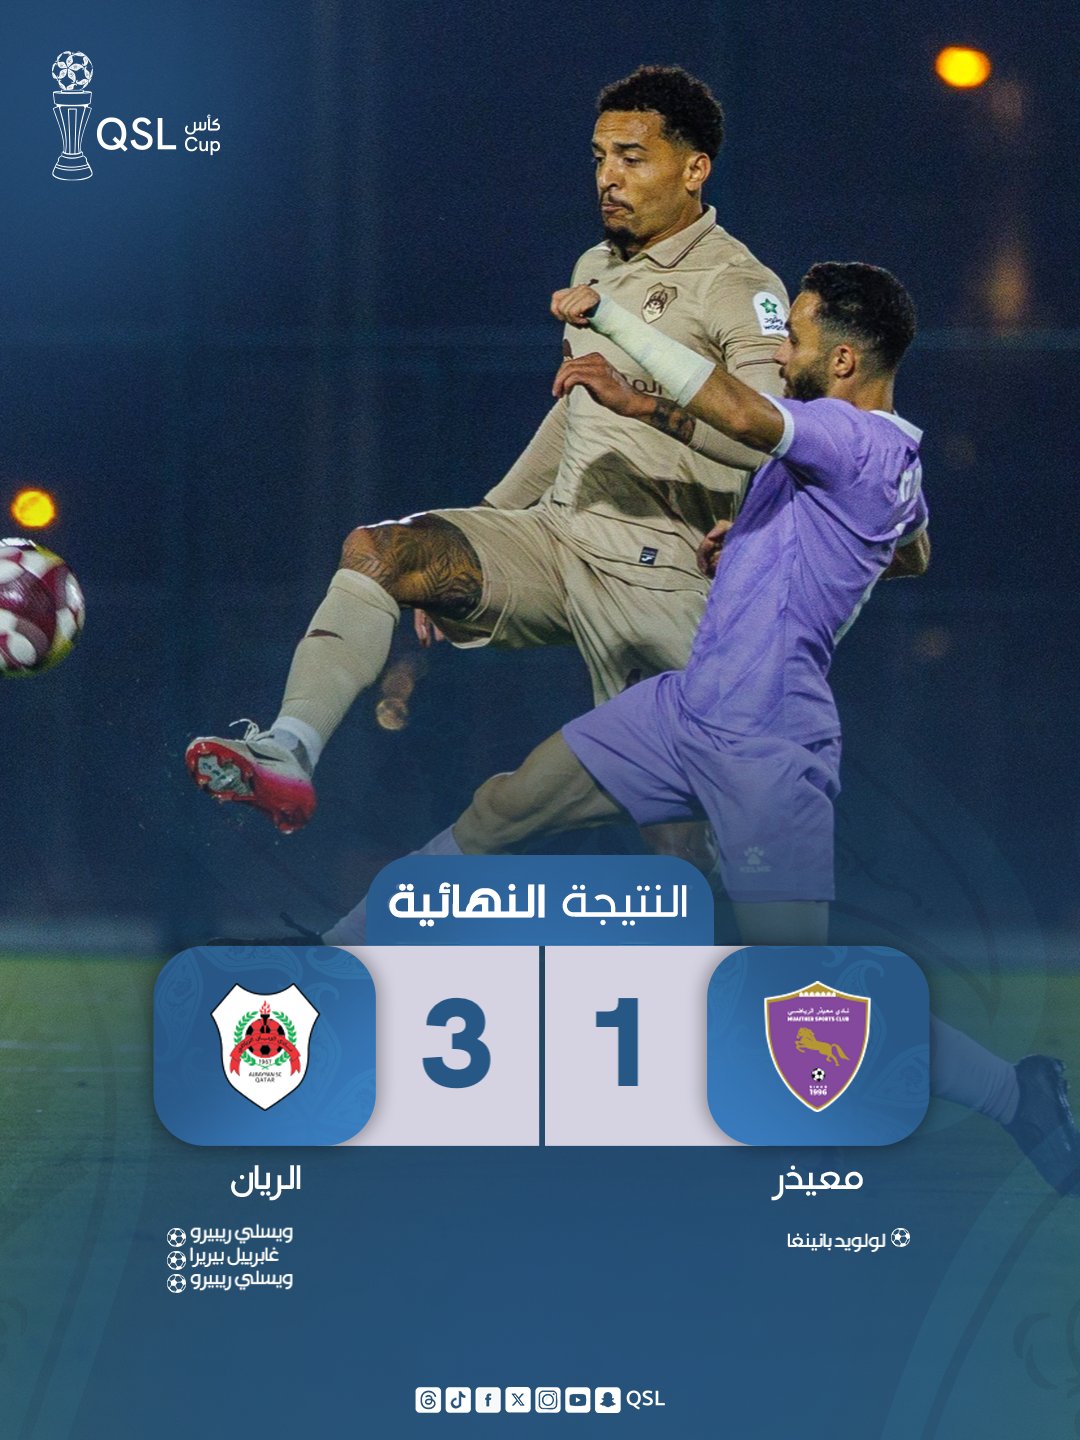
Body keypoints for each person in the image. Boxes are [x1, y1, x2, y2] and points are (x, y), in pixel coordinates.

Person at [321, 261, 1080, 1197]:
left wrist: (613, 322)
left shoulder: (848, 434)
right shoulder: (886, 458)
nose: (783, 354)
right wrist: (773, 542)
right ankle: (334, 958)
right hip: (687, 707)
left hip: (767, 739)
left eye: (796, 337)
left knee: (799, 997)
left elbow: (742, 414)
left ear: (845, 361)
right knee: (506, 807)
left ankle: (1015, 1093)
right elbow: (910, 547)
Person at [185, 65, 794, 843]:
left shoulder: (740, 286)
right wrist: (480, 533)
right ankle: (289, 751)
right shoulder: (595, 268)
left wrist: (645, 404)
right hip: (559, 542)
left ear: (694, 168)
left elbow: (768, 436)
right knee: (386, 551)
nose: (607, 177)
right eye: (599, 157)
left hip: (663, 579)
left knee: (683, 838)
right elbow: (575, 414)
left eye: (632, 157)